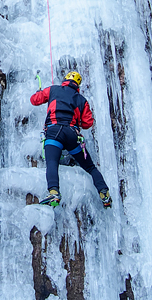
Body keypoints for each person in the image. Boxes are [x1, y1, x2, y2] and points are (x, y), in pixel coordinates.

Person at [30, 71, 113, 208]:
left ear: (65, 79)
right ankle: (104, 193)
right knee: (90, 167)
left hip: (54, 131)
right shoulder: (81, 100)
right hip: (72, 134)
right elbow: (87, 123)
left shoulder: (53, 89)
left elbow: (34, 100)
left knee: (52, 162)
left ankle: (54, 192)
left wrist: (38, 92)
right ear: (77, 84)